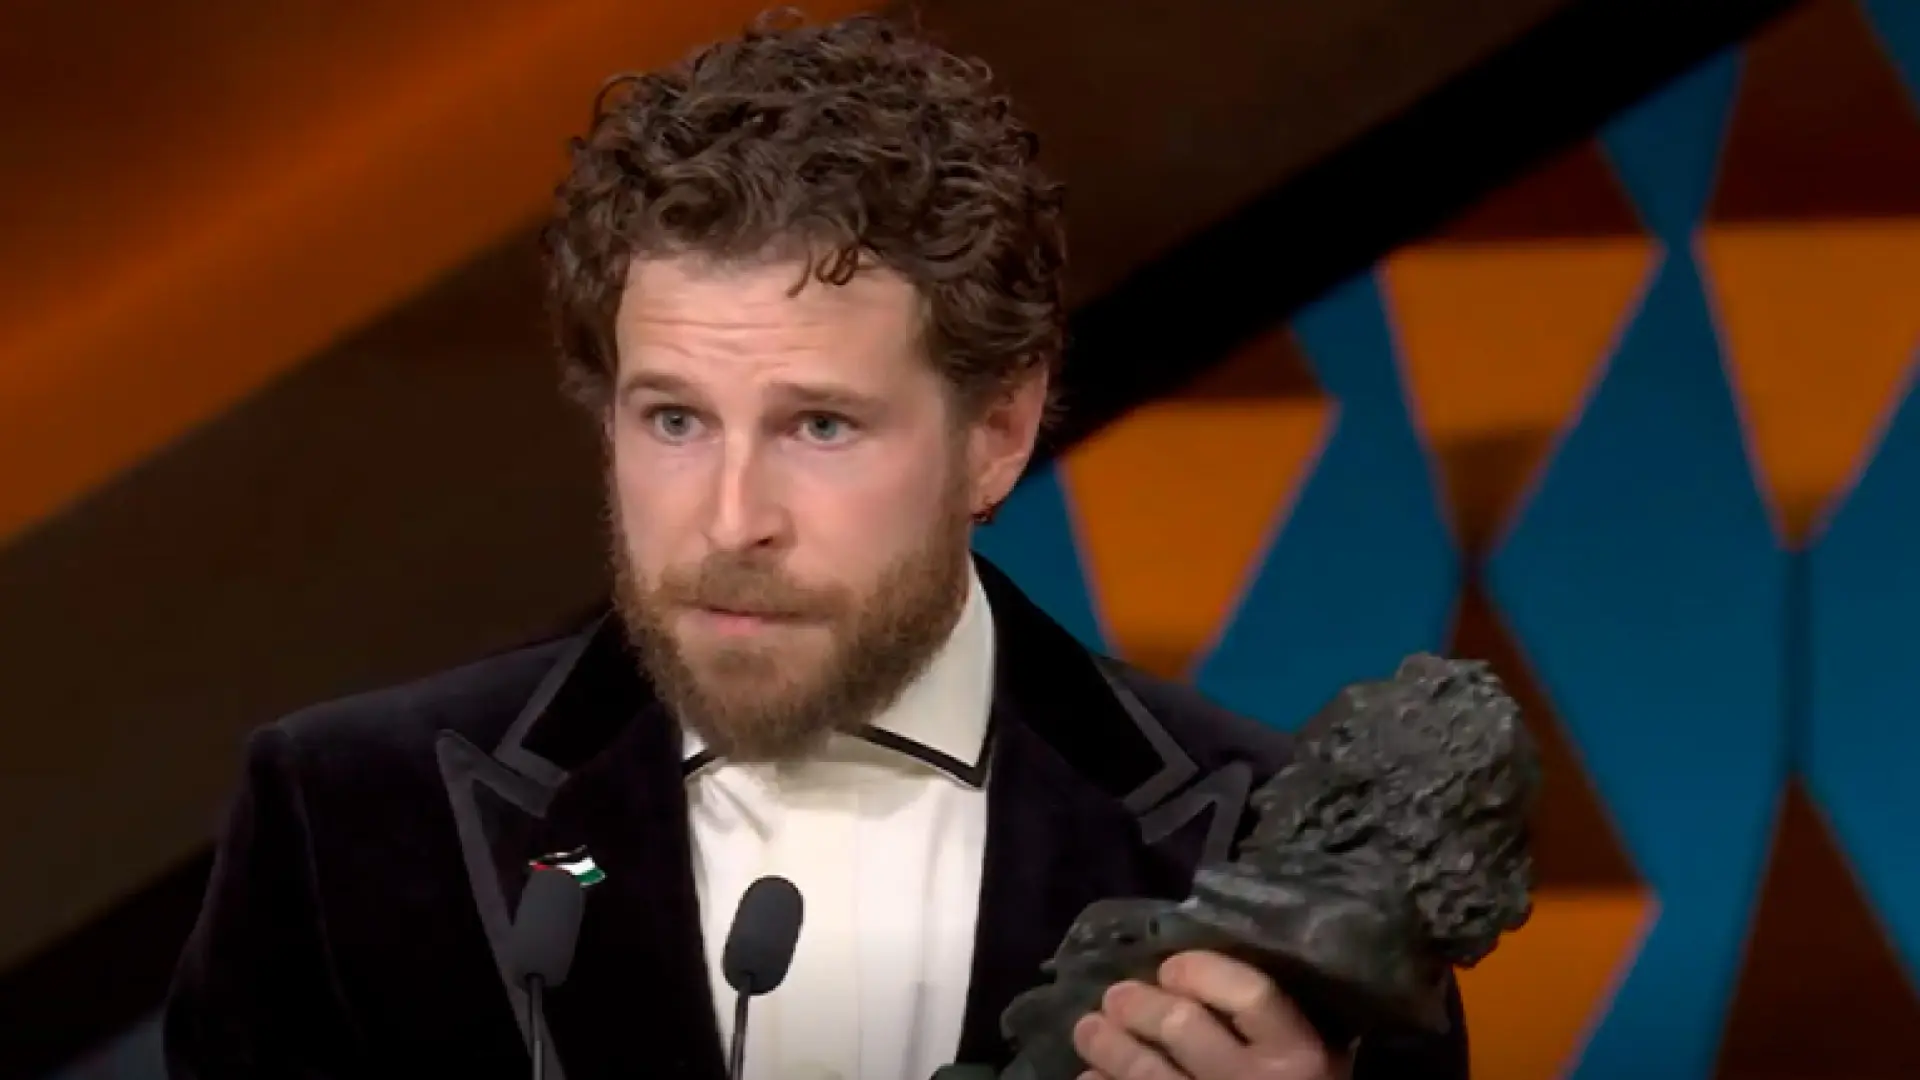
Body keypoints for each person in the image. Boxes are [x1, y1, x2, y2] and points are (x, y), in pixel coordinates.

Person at [164, 12, 1468, 1080]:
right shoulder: (348, 818)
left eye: (820, 426)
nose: (733, 518)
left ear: (998, 431)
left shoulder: (1279, 859)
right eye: (674, 419)